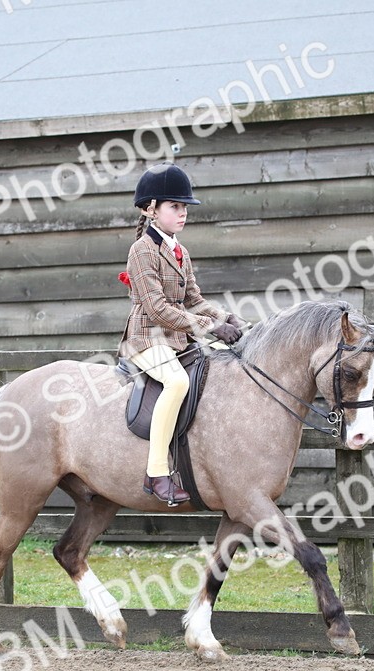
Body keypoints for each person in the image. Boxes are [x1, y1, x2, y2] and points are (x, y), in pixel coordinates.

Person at [118, 163, 245, 505]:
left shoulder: (180, 251)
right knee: (177, 383)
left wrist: (227, 318)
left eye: (185, 207)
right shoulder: (141, 251)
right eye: (175, 206)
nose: (183, 213)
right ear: (150, 209)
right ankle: (157, 473)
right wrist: (209, 327)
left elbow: (194, 300)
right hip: (146, 338)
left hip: (177, 339)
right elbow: (157, 308)